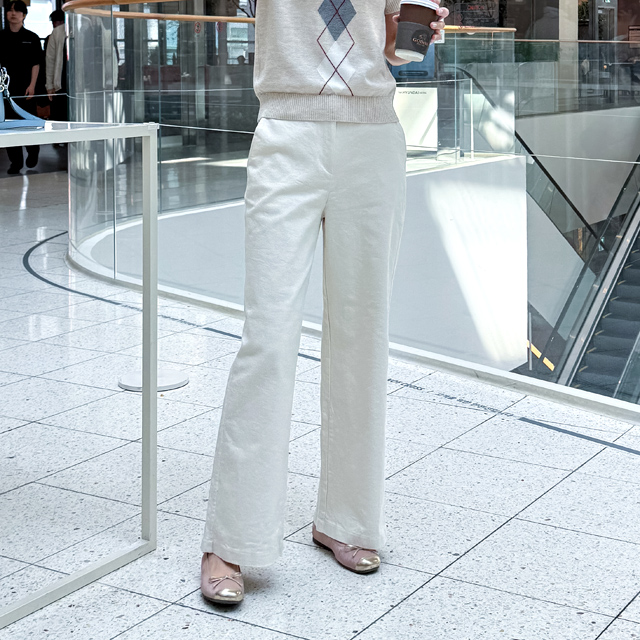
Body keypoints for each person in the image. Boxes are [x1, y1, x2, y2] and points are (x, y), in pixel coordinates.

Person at [199, 0, 448, 604]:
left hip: (374, 135)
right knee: (267, 339)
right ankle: (231, 538)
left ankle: (347, 519)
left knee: (363, 334)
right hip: (287, 130)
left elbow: (389, 48)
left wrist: (412, 32)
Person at [0, 0, 43, 174]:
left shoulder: (32, 37)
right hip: (5, 89)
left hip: (26, 88)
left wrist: (32, 85)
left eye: (17, 11)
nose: (13, 14)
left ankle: (33, 152)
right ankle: (15, 162)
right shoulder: (1, 37)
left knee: (29, 122)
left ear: (24, 15)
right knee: (9, 125)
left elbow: (36, 64)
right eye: (10, 10)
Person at [45, 9, 68, 122]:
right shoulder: (57, 32)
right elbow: (50, 60)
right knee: (60, 120)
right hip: (60, 84)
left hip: (84, 85)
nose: (55, 24)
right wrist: (49, 86)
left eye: (58, 21)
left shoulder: (88, 28)